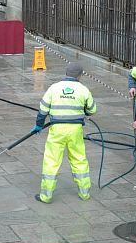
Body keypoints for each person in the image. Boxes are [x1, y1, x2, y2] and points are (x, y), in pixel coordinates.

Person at [31, 63, 96, 203]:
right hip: (75, 130)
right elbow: (92, 110)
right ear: (80, 75)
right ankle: (84, 194)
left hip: (57, 130)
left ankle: (46, 196)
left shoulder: (54, 88)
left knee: (51, 161)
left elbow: (43, 110)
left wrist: (38, 125)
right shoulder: (84, 90)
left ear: (65, 73)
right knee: (79, 159)